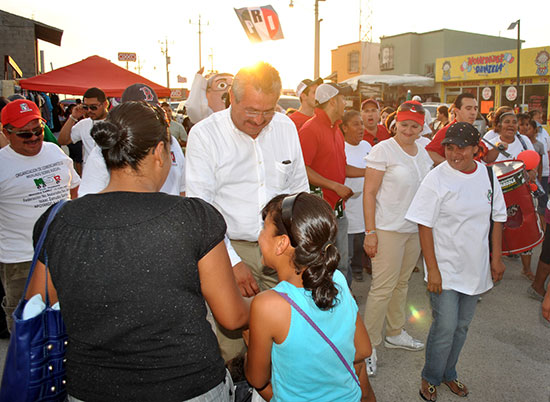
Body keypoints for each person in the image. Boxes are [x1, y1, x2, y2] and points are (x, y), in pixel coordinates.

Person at [26, 101, 249, 401]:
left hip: (91, 387)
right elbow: (232, 317)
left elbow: (36, 304)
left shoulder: (59, 221)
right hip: (189, 384)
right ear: (159, 152)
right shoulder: (193, 217)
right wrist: (266, 305)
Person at [186, 61, 309, 361]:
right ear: (232, 99)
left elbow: (298, 190)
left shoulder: (285, 127)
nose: (259, 120)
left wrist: (297, 247)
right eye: (251, 111)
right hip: (228, 247)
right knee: (232, 339)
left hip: (281, 246)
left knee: (287, 330)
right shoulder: (205, 135)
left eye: (268, 111)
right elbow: (202, 207)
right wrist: (230, 261)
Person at [405, 122, 507, 401]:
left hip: (476, 268)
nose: (454, 153)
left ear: (476, 149)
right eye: (449, 147)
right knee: (445, 325)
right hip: (445, 268)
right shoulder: (437, 178)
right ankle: (431, 376)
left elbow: (498, 218)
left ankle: (449, 373)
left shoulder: (487, 176)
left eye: (461, 147)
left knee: (462, 326)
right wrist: (433, 269)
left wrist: (495, 259)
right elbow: (424, 224)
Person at [245, 193, 376, 402]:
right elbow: (362, 349)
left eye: (264, 228)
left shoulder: (268, 306)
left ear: (282, 243)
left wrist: (250, 342)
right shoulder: (338, 279)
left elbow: (256, 378)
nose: (259, 236)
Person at [362, 101, 433, 376]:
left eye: (414, 126)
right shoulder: (383, 150)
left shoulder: (424, 150)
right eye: (404, 124)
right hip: (387, 229)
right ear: (396, 123)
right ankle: (368, 345)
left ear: (421, 128)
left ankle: (394, 331)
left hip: (413, 229)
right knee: (382, 287)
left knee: (402, 284)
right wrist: (370, 232)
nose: (408, 129)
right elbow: (369, 193)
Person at [0, 99, 80, 333]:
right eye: (25, 134)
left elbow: (74, 188)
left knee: (67, 324)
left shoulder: (55, 151)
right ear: (6, 132)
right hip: (21, 259)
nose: (34, 138)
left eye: (38, 131)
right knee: (28, 332)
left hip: (63, 254)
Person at [299, 82, 362, 286]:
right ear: (333, 101)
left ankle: (341, 305)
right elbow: (303, 169)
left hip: (338, 210)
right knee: (323, 265)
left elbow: (342, 167)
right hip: (320, 213)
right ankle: (323, 308)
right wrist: (335, 186)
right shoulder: (310, 129)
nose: (346, 103)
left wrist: (372, 172)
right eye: (344, 99)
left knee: (342, 263)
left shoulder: (335, 130)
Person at [77, 83, 186, 197]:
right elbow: (89, 197)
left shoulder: (170, 142)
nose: (148, 117)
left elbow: (182, 188)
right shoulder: (107, 148)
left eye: (152, 111)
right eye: (140, 113)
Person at [426, 93, 498, 166]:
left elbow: (486, 157)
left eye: (475, 108)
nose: (473, 112)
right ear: (457, 111)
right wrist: (451, 166)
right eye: (468, 108)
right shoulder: (449, 130)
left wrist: (498, 147)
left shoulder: (472, 131)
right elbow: (429, 153)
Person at [341, 110, 372, 281]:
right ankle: (347, 286)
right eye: (356, 124)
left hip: (364, 204)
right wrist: (369, 172)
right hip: (347, 205)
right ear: (344, 128)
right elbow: (343, 168)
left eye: (361, 123)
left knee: (362, 241)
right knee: (347, 249)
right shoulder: (340, 146)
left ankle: (359, 269)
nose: (361, 127)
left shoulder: (367, 146)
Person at [57, 87, 109, 164]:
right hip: (90, 173)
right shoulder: (83, 124)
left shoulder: (118, 122)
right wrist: (73, 117)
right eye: (86, 107)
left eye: (93, 107)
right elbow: (62, 141)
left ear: (105, 104)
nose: (89, 111)